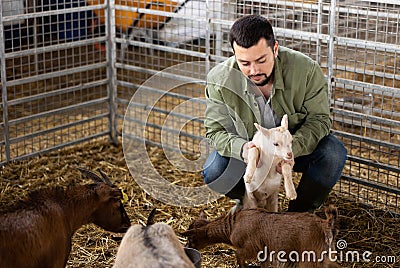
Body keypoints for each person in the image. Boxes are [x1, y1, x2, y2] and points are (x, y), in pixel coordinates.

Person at [202, 14, 347, 213]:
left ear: (275, 49)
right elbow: (215, 131)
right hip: (251, 155)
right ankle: (248, 199)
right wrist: (243, 149)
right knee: (214, 171)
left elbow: (319, 120)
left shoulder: (306, 70)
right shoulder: (219, 79)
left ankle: (300, 213)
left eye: (261, 60)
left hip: (292, 148)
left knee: (333, 154)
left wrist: (292, 147)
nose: (254, 70)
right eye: (244, 63)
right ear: (235, 57)